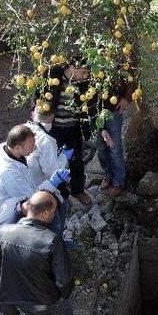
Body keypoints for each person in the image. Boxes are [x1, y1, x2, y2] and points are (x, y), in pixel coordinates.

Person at [0, 124, 69, 221]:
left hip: (21, 204)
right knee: (57, 212)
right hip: (12, 220)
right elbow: (31, 199)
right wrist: (51, 183)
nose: (34, 148)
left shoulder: (10, 150)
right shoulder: (8, 174)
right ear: (17, 148)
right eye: (31, 145)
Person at [46, 58, 93, 205]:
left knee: (76, 160)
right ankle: (59, 193)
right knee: (53, 162)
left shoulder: (83, 83)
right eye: (83, 72)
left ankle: (78, 190)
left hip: (73, 128)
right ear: (73, 67)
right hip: (53, 129)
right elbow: (39, 96)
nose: (86, 76)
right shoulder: (53, 76)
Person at [96, 80, 137, 198]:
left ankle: (119, 181)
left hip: (113, 109)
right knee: (101, 149)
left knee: (114, 148)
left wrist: (127, 98)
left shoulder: (119, 62)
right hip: (95, 111)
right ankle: (109, 175)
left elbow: (132, 76)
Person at [25, 107, 73, 186]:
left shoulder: (24, 128)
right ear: (52, 118)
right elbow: (52, 172)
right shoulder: (46, 140)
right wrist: (64, 157)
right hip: (38, 186)